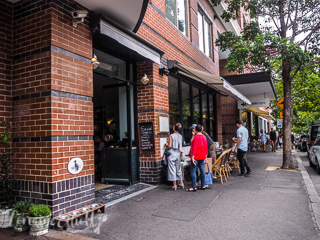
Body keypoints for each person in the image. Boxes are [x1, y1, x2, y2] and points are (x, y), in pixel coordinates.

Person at [187, 124, 207, 192]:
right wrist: (206, 157)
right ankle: (203, 185)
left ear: (195, 129)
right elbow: (205, 148)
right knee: (202, 170)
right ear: (201, 130)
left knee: (193, 170)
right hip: (202, 155)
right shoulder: (204, 137)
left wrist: (193, 156)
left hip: (196, 156)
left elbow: (194, 147)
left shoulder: (196, 137)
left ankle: (194, 187)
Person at [166, 123, 184, 191]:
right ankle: (181, 183)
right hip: (178, 154)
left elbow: (170, 146)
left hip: (172, 153)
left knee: (172, 169)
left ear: (174, 128)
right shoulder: (180, 136)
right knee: (178, 168)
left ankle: (174, 185)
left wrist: (167, 144)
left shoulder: (171, 135)